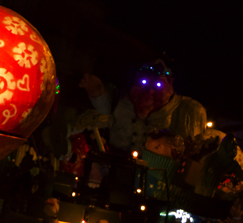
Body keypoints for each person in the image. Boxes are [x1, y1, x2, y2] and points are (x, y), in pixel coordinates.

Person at [79, 60, 207, 155]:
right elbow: (100, 112)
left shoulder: (189, 110)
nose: (150, 91)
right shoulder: (120, 101)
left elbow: (192, 152)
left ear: (170, 82)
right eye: (144, 83)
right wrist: (96, 92)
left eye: (158, 85)